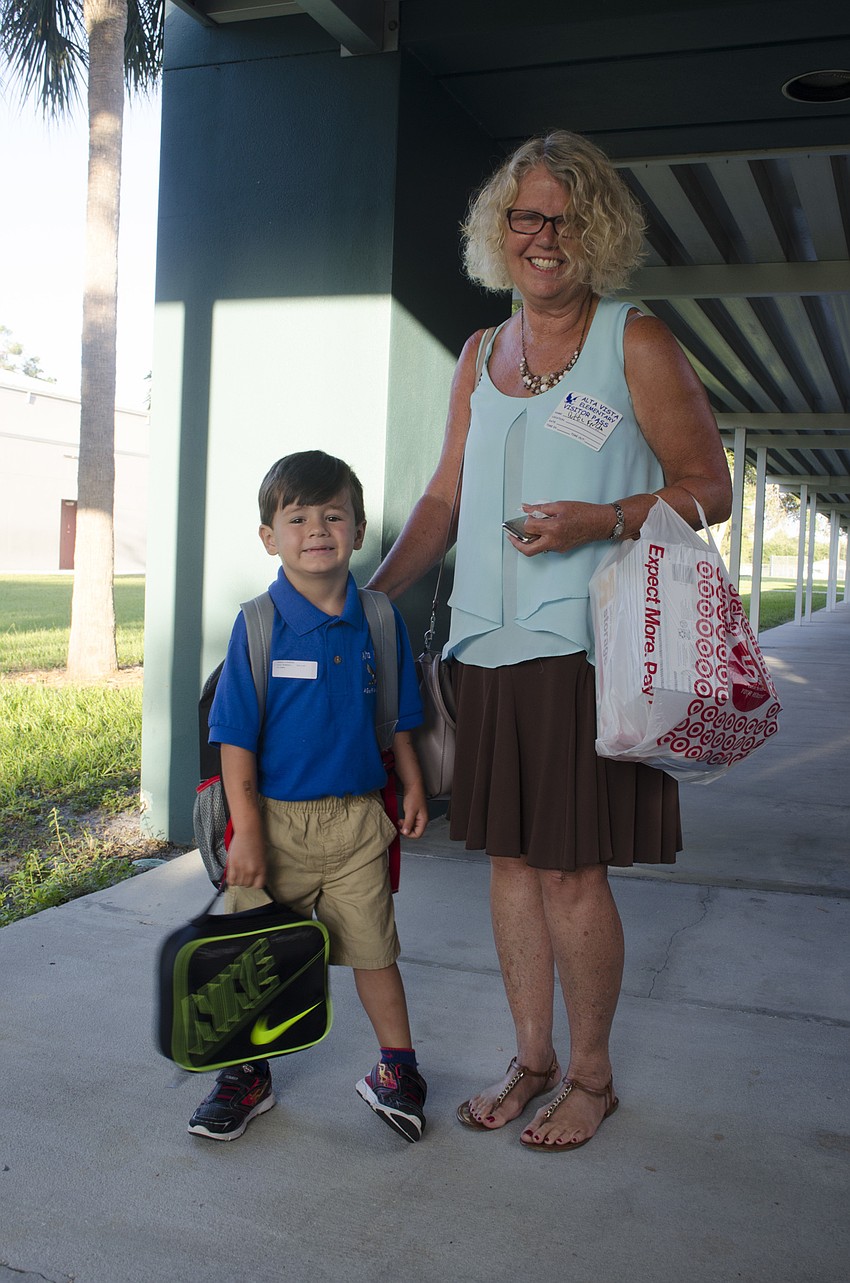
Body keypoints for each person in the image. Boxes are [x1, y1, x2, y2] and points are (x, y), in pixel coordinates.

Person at [368, 131, 732, 1152]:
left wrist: (604, 517)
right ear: (500, 231)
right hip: (484, 647)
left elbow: (711, 488)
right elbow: (443, 494)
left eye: (564, 218)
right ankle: (530, 1057)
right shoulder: (484, 355)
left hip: (585, 647)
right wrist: (375, 596)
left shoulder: (634, 340)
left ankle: (590, 1074)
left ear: (596, 232)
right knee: (512, 866)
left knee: (573, 869)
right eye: (525, 216)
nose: (542, 235)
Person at [188, 450, 430, 1144]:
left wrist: (410, 780)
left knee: (375, 950)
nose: (317, 528)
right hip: (272, 822)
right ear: (270, 536)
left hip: (357, 822)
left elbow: (397, 721)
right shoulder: (259, 625)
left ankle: (399, 1069)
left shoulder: (379, 620)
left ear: (356, 528)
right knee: (253, 956)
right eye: (297, 517)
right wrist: (248, 832)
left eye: (333, 514)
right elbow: (234, 738)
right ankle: (246, 1074)